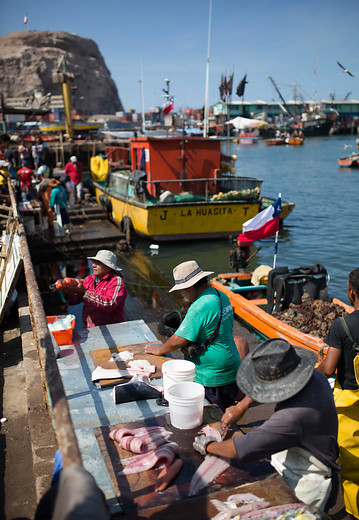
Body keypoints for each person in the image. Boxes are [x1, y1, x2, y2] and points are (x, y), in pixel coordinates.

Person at [193, 338, 340, 511]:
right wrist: (242, 405)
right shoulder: (313, 375)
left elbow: (245, 446)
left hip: (310, 476)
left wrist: (210, 446)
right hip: (307, 448)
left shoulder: (291, 417)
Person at [145, 260, 244, 411]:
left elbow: (178, 340)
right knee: (225, 411)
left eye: (182, 290)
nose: (182, 294)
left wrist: (160, 349)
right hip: (230, 367)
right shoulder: (221, 295)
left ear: (190, 286)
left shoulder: (199, 306)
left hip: (212, 376)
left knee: (214, 419)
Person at [318, 268, 359, 519]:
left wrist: (314, 366)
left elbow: (329, 369)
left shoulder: (342, 326)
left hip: (351, 408)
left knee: (352, 469)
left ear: (351, 293)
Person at [63, 249, 127, 328]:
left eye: (98, 263)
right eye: (94, 262)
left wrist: (85, 292)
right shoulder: (89, 279)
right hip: (90, 327)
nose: (93, 265)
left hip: (113, 328)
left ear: (108, 266)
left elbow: (109, 304)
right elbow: (75, 300)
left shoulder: (117, 282)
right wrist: (69, 294)